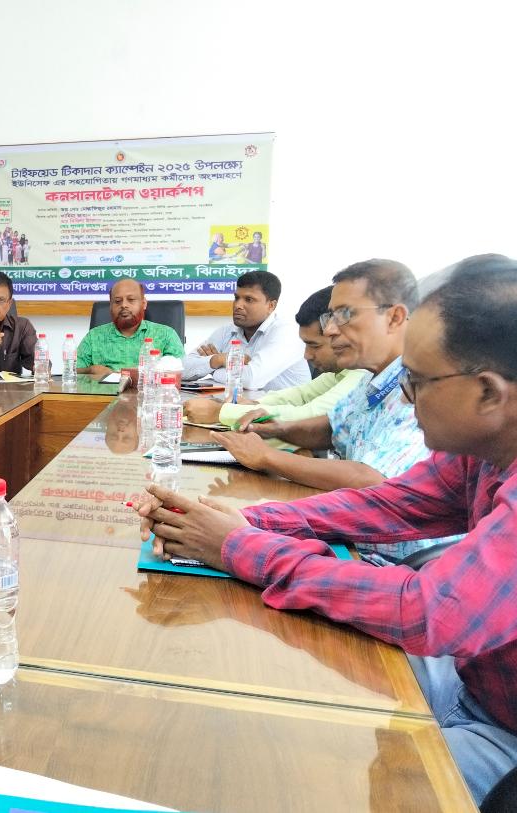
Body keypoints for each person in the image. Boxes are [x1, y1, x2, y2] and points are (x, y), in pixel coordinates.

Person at [133, 254, 517, 805]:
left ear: (489, 393)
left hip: (503, 728)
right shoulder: (480, 449)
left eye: (416, 381)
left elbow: (429, 611)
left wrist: (239, 547)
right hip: (469, 679)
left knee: (338, 782)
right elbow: (390, 505)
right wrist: (244, 520)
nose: (404, 396)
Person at [210, 262, 441, 547]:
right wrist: (276, 429)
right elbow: (333, 427)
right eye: (330, 316)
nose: (330, 330)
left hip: (386, 556)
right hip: (352, 530)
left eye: (344, 314)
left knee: (224, 538)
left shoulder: (419, 384)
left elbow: (371, 479)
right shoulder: (372, 377)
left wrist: (267, 457)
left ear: (394, 317)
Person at [183, 286, 368, 426]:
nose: (306, 355)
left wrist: (220, 412)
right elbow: (301, 395)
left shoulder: (365, 371)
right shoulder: (344, 370)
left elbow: (312, 413)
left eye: (314, 346)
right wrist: (253, 403)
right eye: (236, 298)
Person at [182, 270, 310, 391]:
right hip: (244, 403)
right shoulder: (226, 332)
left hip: (286, 406)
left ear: (271, 306)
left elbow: (251, 380)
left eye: (249, 299)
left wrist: (214, 369)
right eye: (236, 298)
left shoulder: (287, 333)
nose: (238, 305)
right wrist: (217, 360)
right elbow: (182, 370)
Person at [76, 279, 184, 378]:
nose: (124, 305)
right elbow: (72, 370)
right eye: (117, 301)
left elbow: (182, 373)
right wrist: (90, 370)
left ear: (144, 304)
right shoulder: (93, 336)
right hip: (104, 391)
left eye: (131, 299)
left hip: (149, 391)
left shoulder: (166, 335)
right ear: (110, 306)